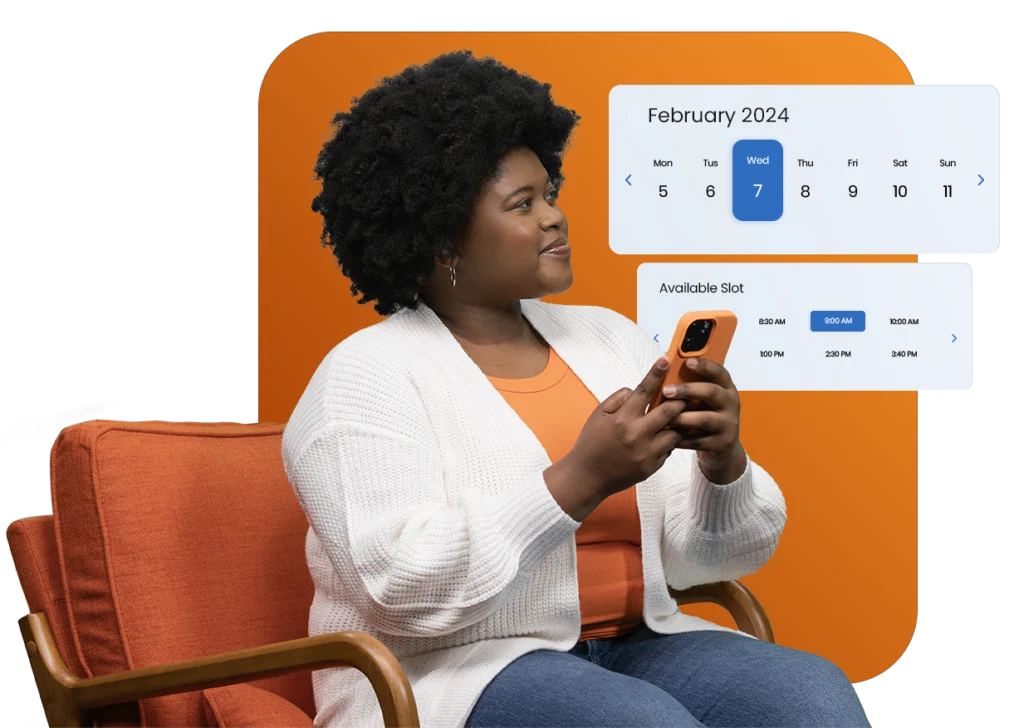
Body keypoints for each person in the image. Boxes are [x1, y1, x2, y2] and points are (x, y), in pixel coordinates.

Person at [283, 49, 871, 728]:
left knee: (814, 702)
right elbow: (400, 589)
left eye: (550, 194)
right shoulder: (365, 377)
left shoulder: (606, 340)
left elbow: (715, 557)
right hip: (457, 671)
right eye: (522, 204)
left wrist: (722, 464)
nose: (554, 217)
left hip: (637, 644)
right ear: (442, 238)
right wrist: (579, 480)